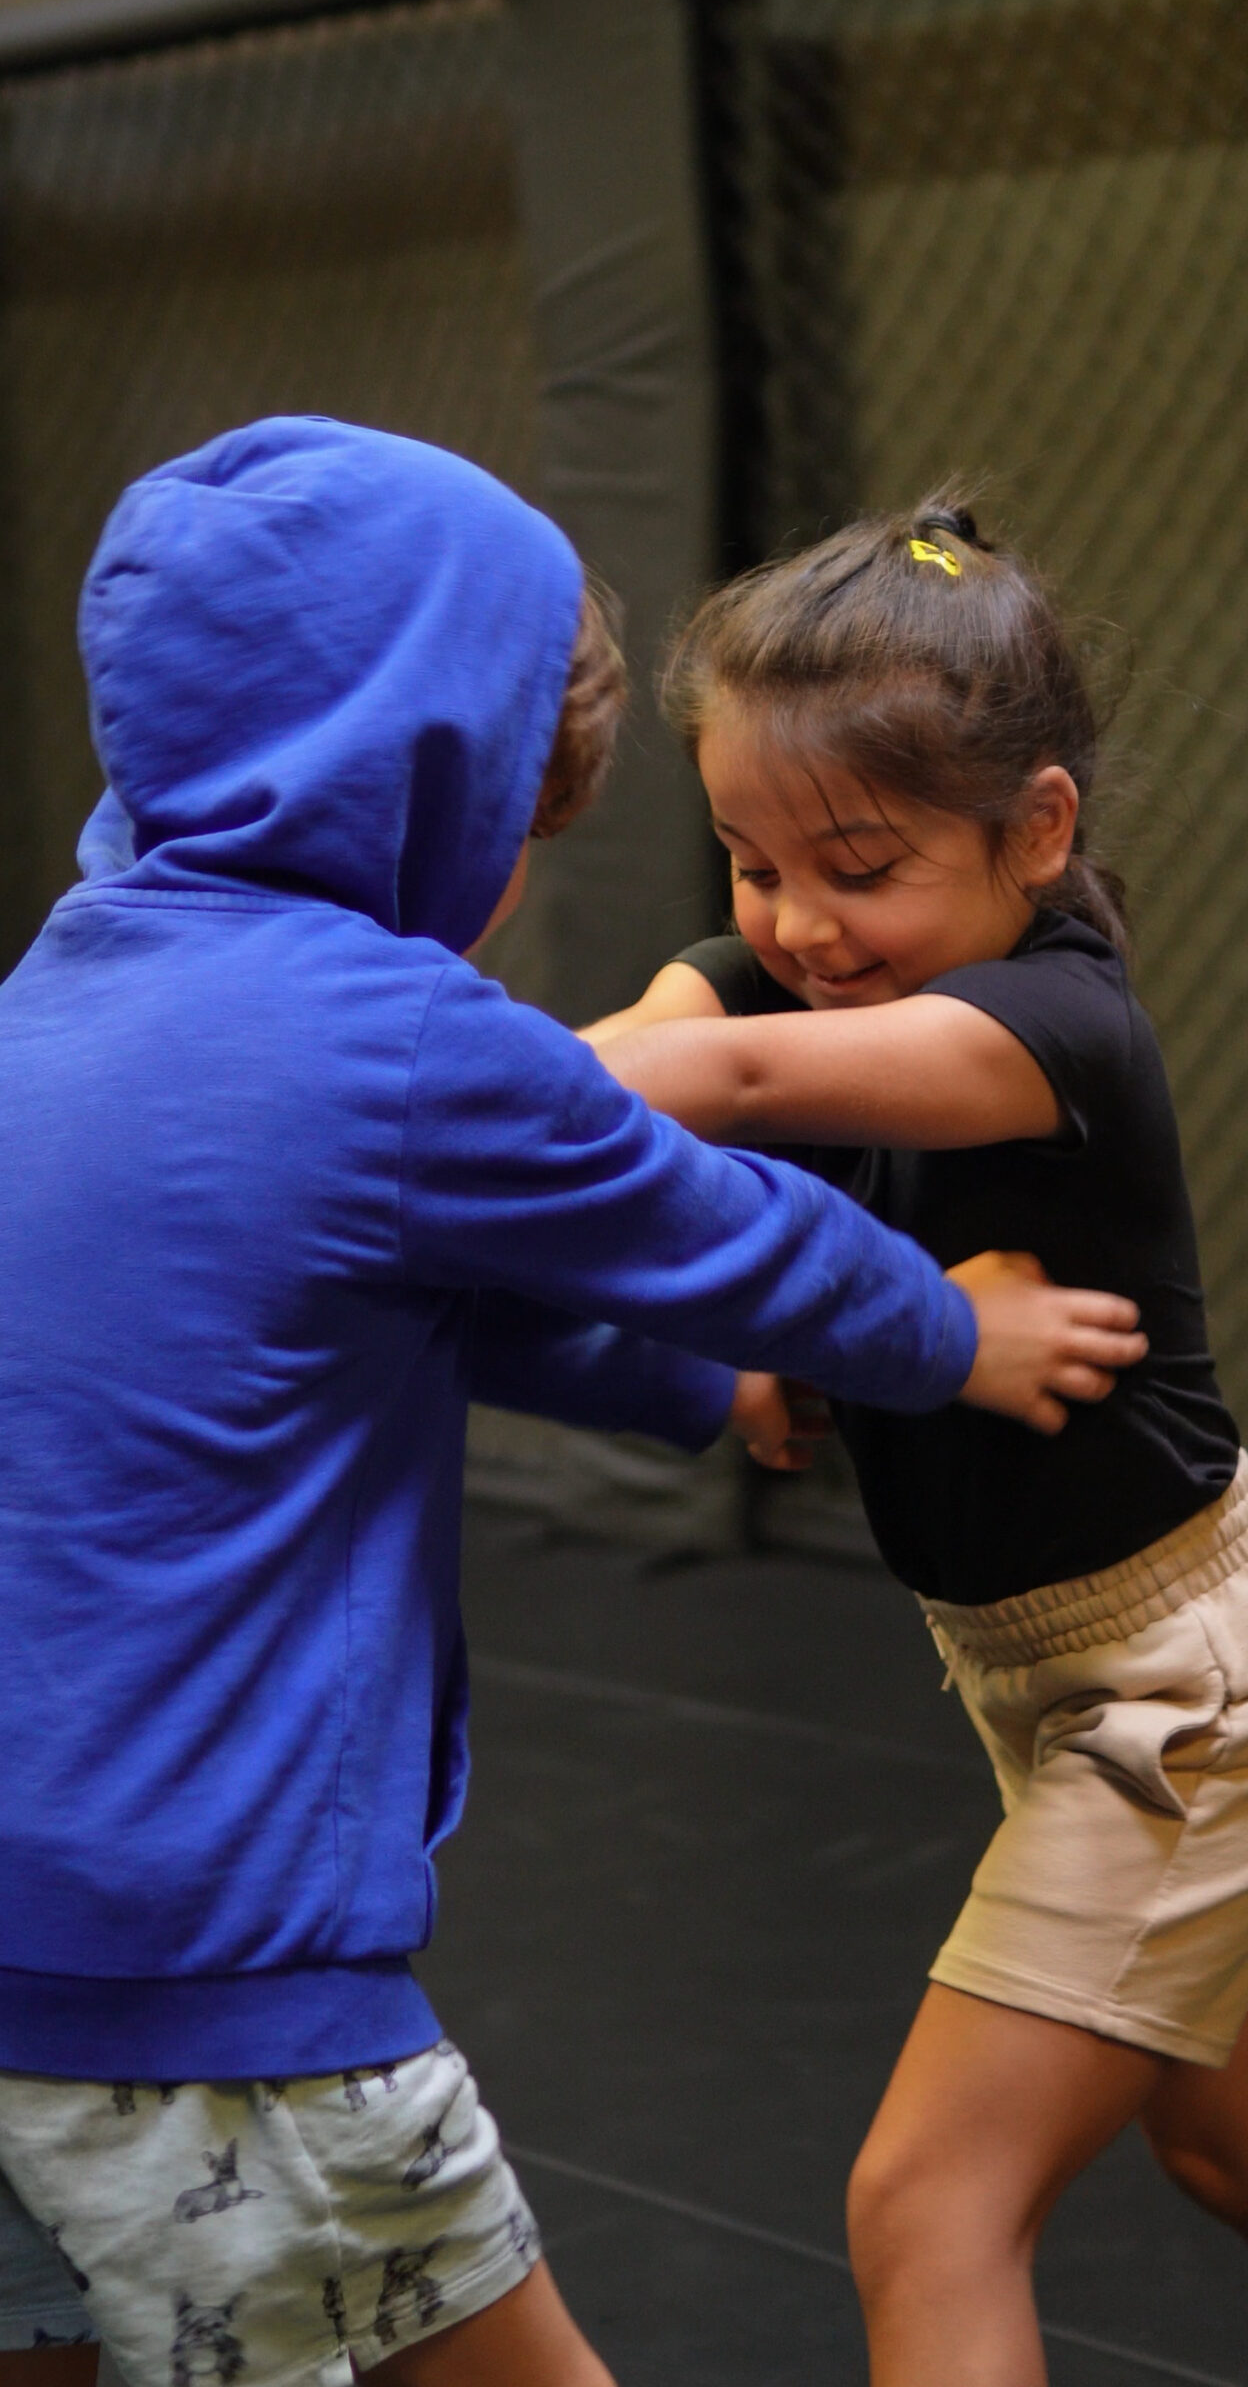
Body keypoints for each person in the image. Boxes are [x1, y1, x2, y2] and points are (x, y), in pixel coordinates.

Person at [0, 422, 1148, 2387]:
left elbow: (421, 1312)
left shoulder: (48, 1007)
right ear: (427, 793)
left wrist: (702, 1382)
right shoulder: (391, 1032)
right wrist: (954, 1335)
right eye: (515, 833)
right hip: (215, 1982)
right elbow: (719, 1226)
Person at [582, 494, 1248, 2387]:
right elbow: (680, 1014)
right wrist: (780, 1308)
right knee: (1247, 2144)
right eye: (749, 861)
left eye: (857, 867)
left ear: (1036, 832)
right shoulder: (817, 960)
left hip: (1195, 1689)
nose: (798, 923)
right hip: (1063, 1669)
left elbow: (715, 1078)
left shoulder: (1048, 1027)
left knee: (929, 2204)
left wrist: (382, 1100)